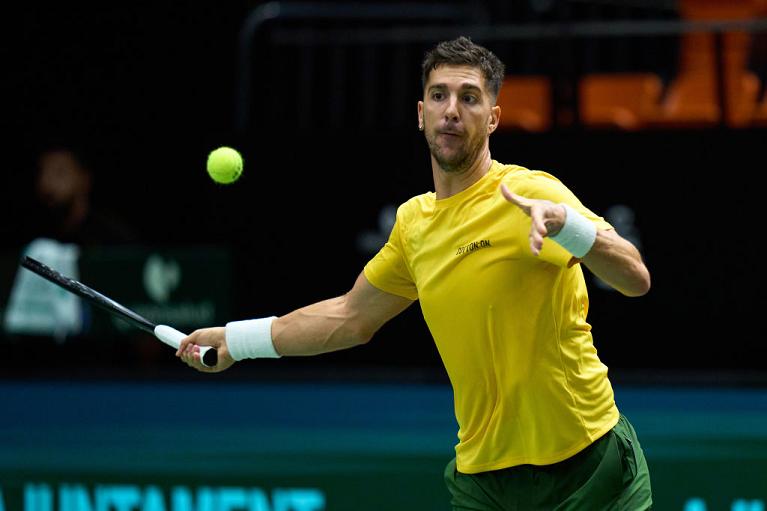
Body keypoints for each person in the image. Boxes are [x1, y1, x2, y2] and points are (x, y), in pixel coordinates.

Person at [178, 36, 653, 510]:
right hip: (485, 480)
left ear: (492, 118)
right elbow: (350, 316)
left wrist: (568, 227)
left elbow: (634, 277)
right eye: (440, 95)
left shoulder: (526, 191)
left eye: (469, 97)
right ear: (421, 113)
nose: (452, 110)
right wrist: (236, 341)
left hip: (589, 465)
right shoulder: (414, 225)